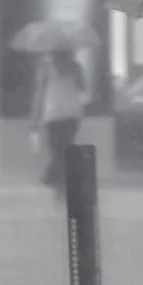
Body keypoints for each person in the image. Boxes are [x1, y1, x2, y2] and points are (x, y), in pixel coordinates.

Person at [30, 47, 87, 197]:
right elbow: (83, 87)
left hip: (53, 114)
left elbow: (40, 93)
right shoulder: (75, 66)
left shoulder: (46, 66)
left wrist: (35, 117)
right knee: (65, 148)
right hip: (71, 114)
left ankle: (55, 179)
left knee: (56, 149)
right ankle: (57, 180)